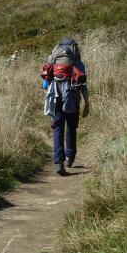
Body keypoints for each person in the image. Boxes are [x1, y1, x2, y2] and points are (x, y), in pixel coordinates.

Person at [41, 38, 91, 175]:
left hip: (55, 96)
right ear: (74, 49)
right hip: (72, 97)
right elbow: (83, 85)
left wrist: (48, 94)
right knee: (71, 127)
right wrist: (86, 103)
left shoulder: (53, 59)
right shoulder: (77, 62)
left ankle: (59, 163)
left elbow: (45, 83)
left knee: (58, 128)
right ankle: (70, 156)